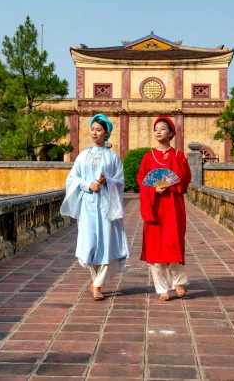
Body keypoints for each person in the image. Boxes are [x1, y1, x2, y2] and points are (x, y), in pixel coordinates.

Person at [60, 114, 130, 301]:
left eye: (99, 130)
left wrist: (108, 181)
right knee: (88, 246)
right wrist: (87, 185)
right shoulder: (83, 156)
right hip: (88, 206)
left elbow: (120, 181)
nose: (94, 133)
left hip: (107, 206)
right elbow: (72, 179)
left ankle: (97, 285)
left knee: (109, 245)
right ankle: (95, 280)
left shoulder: (112, 158)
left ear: (106, 133)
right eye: (92, 129)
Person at [138, 116, 192, 301]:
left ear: (171, 133)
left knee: (173, 243)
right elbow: (141, 180)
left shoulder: (178, 156)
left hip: (173, 206)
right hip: (154, 207)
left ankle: (177, 281)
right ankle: (162, 287)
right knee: (155, 248)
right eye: (156, 129)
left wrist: (171, 177)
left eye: (162, 128)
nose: (158, 131)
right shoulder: (148, 157)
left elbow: (184, 179)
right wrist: (153, 189)